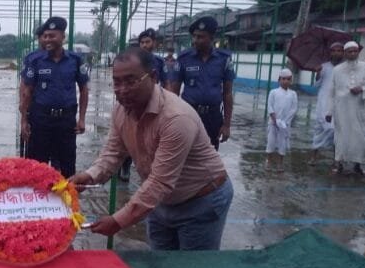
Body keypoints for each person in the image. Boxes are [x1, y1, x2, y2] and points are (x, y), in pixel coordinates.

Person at [69, 48, 233, 250]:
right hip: (160, 202)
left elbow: (160, 182)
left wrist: (119, 220)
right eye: (117, 82)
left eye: (131, 81)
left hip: (201, 202)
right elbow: (113, 153)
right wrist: (90, 176)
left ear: (154, 77)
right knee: (159, 267)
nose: (122, 89)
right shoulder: (121, 110)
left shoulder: (176, 118)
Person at [20, 16, 90, 177]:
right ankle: (36, 201)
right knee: (36, 167)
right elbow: (27, 91)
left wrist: (82, 119)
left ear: (62, 37)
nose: (47, 40)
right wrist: (24, 120)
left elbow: (84, 90)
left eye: (52, 36)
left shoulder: (75, 60)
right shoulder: (36, 61)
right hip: (41, 119)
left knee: (67, 165)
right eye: (45, 36)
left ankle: (66, 200)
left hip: (66, 121)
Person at [169, 16, 236, 150]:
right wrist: (172, 120)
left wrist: (227, 125)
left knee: (210, 156)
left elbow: (227, 94)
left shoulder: (224, 59)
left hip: (213, 117)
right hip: (188, 114)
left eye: (200, 37)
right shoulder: (184, 58)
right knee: (185, 153)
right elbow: (173, 93)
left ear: (211, 38)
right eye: (194, 36)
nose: (195, 41)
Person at [119, 28, 168, 181]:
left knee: (151, 140)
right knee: (130, 138)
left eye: (148, 42)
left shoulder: (159, 62)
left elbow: (166, 84)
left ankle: (151, 172)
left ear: (154, 43)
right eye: (142, 42)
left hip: (153, 105)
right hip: (135, 105)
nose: (145, 45)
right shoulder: (132, 60)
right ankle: (125, 166)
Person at [327, 40, 365, 176]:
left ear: (358, 52)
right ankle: (339, 164)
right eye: (350, 51)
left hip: (360, 109)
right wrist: (329, 111)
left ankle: (358, 165)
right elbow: (331, 92)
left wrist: (362, 89)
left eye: (355, 51)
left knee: (360, 138)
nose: (353, 53)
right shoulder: (337, 70)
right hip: (342, 110)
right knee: (341, 138)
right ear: (345, 53)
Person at [309, 42, 343, 165]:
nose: (337, 53)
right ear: (330, 52)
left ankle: (336, 159)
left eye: (339, 50)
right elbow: (316, 85)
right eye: (334, 50)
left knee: (337, 130)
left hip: (339, 102)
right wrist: (317, 73)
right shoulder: (323, 66)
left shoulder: (345, 67)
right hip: (323, 102)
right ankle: (314, 156)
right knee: (319, 129)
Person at [18, 24, 47, 157]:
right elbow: (24, 84)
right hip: (35, 107)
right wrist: (22, 105)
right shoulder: (32, 58)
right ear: (39, 38)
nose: (46, 40)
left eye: (49, 36)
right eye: (43, 37)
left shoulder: (64, 58)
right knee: (34, 146)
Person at [265, 69, 298, 172]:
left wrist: (285, 121)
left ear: (291, 80)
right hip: (273, 123)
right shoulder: (273, 92)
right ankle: (269, 161)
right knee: (271, 142)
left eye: (288, 79)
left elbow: (294, 108)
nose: (286, 81)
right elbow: (270, 106)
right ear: (279, 80)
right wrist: (274, 119)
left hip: (285, 124)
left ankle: (280, 163)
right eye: (283, 79)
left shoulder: (293, 94)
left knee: (282, 144)